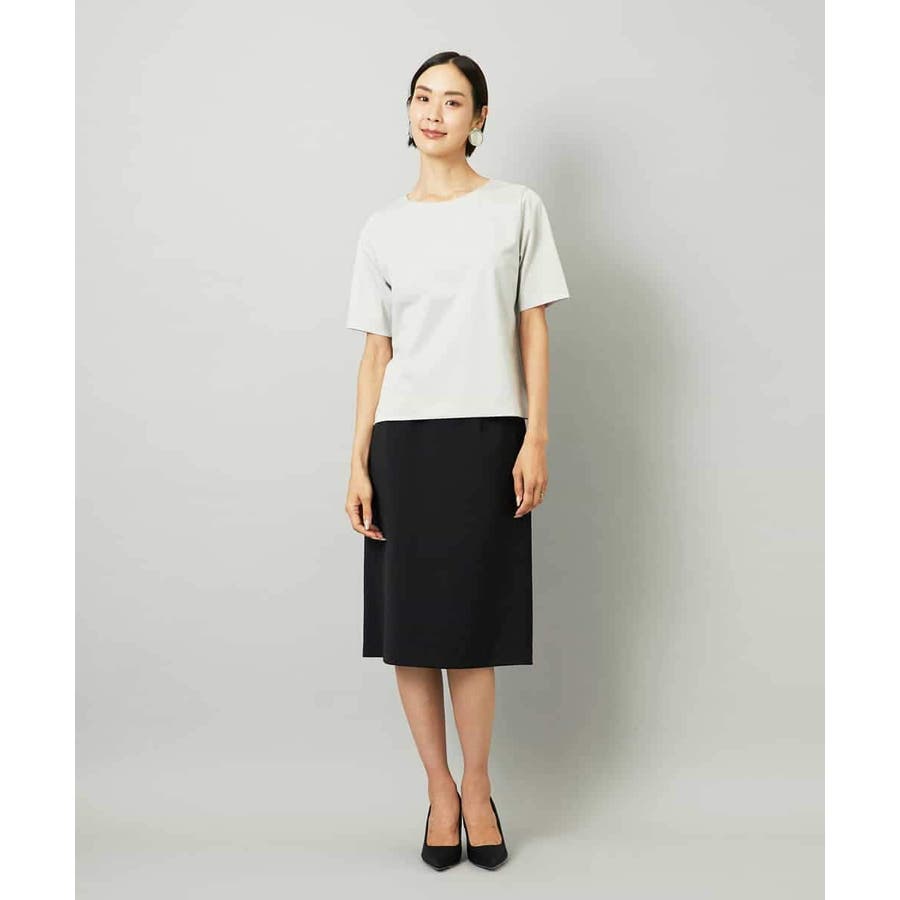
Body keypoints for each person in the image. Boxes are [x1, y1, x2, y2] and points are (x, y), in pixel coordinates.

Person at [344, 50, 571, 871]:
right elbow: (377, 353)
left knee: (472, 629)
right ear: (408, 111)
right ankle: (439, 792)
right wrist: (357, 462)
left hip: (487, 436)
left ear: (480, 118)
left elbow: (533, 327)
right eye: (422, 97)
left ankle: (478, 788)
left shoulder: (516, 208)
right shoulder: (382, 227)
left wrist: (535, 437)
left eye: (452, 100)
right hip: (404, 440)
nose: (433, 112)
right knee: (410, 633)